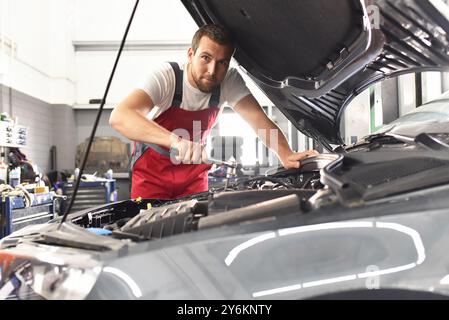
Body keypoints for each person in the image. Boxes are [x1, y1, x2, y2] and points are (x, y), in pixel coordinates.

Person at [110, 24, 318, 199]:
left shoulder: (228, 80)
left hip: (194, 179)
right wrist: (176, 141)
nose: (212, 71)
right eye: (206, 58)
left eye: (222, 63)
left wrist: (286, 154)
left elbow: (258, 121)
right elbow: (121, 117)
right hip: (151, 179)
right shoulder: (167, 77)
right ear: (190, 54)